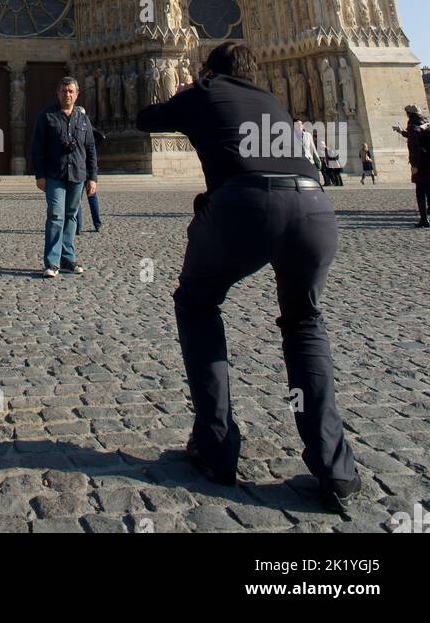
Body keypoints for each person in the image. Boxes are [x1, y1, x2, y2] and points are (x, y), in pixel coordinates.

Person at [135, 42, 359, 512]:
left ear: (209, 72)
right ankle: (334, 468)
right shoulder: (271, 102)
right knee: (304, 324)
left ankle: (216, 447)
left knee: (197, 304)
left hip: (248, 206)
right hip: (316, 209)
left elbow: (144, 119)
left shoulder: (205, 92)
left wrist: (185, 95)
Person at [31, 76, 98, 277]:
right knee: (56, 216)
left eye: (71, 91)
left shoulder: (83, 119)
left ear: (77, 94)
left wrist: (92, 177)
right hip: (54, 174)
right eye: (63, 91)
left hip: (77, 174)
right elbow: (37, 148)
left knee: (71, 217)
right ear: (57, 93)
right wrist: (39, 175)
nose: (67, 94)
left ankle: (68, 258)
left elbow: (91, 148)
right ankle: (52, 262)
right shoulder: (47, 116)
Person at [394, 105, 430, 227]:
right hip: (428, 161)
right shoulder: (425, 123)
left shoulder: (412, 125)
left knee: (420, 191)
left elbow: (415, 146)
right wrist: (402, 132)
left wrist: (414, 165)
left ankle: (424, 219)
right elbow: (417, 137)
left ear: (409, 114)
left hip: (421, 164)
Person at [76, 109, 105, 233]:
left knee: (77, 199)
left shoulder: (79, 128)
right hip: (85, 167)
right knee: (90, 197)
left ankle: (78, 227)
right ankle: (97, 224)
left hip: (81, 167)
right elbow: (101, 137)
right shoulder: (89, 129)